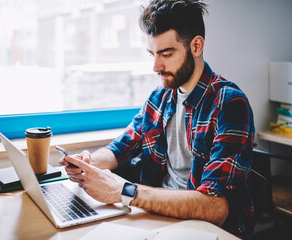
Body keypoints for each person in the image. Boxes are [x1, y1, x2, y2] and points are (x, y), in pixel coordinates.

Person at [59, 0, 255, 239]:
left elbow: (215, 207)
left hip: (203, 229)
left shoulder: (230, 104)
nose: (155, 66)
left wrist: (123, 191)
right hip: (155, 217)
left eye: (166, 54)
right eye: (152, 54)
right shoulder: (159, 97)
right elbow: (121, 147)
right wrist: (88, 162)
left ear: (196, 46)